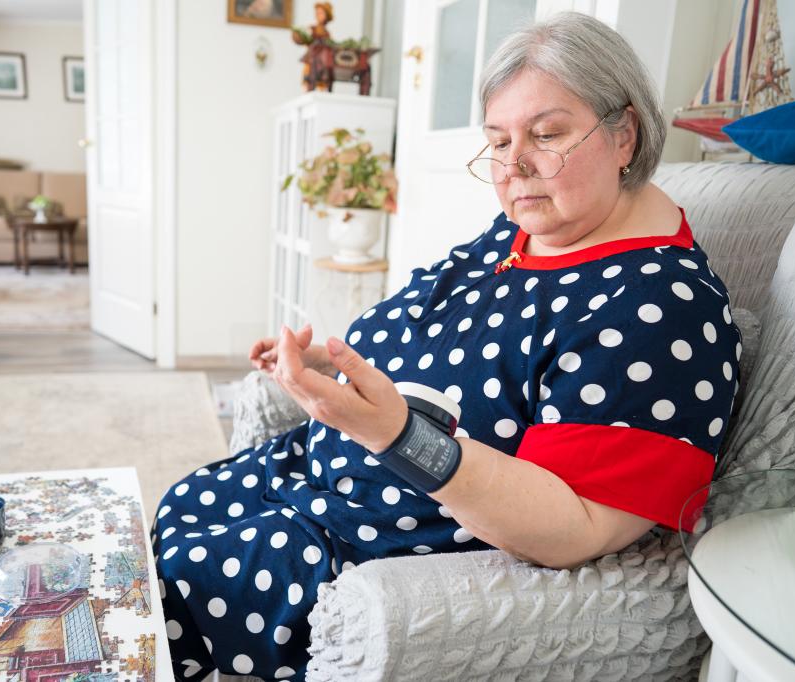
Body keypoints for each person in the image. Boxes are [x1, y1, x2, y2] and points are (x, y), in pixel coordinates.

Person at [153, 11, 742, 681]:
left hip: (367, 547)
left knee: (172, 593)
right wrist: (333, 368)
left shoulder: (657, 309)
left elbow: (574, 527)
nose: (514, 166)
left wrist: (398, 436)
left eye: (546, 135)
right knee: (173, 515)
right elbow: (421, 337)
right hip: (312, 483)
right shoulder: (524, 230)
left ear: (623, 134)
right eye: (497, 142)